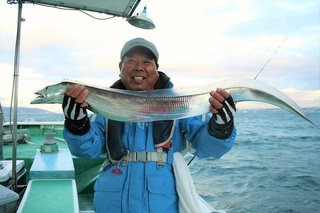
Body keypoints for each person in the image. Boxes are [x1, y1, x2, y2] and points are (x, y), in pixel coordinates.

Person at [62, 38, 237, 213]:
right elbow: (88, 150)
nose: (139, 67)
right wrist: (78, 125)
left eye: (147, 61)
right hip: (111, 203)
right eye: (131, 61)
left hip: (162, 204)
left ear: (156, 68)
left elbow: (209, 149)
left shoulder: (179, 103)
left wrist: (221, 127)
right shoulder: (105, 106)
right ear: (120, 67)